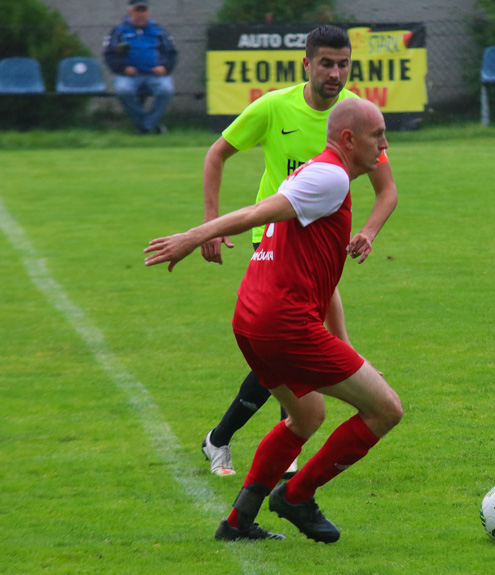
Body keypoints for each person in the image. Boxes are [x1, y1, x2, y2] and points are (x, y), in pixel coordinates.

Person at [145, 98, 403, 543]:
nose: (384, 143)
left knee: (306, 416)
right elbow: (253, 214)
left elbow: (326, 283)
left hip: (251, 319)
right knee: (386, 410)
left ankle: (237, 521)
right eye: (377, 133)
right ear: (348, 139)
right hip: (283, 324)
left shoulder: (318, 176)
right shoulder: (331, 177)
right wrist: (195, 235)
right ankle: (296, 496)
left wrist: (348, 348)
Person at [198, 25, 398, 478]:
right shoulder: (274, 107)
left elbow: (388, 190)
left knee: (295, 348)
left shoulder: (355, 120)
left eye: (343, 64)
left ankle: (224, 439)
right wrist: (209, 226)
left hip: (320, 250)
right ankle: (280, 458)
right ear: (306, 64)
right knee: (291, 344)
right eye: (326, 63)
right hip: (273, 244)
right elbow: (216, 154)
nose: (335, 72)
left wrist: (367, 231)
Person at [102, 0, 177, 134]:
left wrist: (164, 67)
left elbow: (171, 52)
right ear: (130, 11)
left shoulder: (158, 30)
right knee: (123, 90)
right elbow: (109, 54)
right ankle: (149, 125)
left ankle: (146, 126)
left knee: (166, 90)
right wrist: (123, 68)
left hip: (155, 74)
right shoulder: (119, 30)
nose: (140, 14)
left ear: (149, 12)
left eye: (144, 10)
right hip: (129, 75)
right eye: (138, 10)